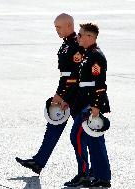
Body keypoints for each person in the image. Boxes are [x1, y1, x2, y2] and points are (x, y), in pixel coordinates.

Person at [15, 13, 82, 174]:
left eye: (59, 27)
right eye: (55, 28)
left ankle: (87, 172)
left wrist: (60, 95)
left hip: (76, 97)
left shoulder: (75, 45)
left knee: (82, 136)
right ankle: (38, 162)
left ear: (69, 26)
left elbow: (73, 77)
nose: (56, 30)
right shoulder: (66, 44)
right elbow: (64, 75)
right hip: (67, 95)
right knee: (53, 126)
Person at [64, 23, 111, 188]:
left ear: (90, 37)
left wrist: (96, 107)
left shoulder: (96, 56)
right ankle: (98, 176)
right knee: (94, 141)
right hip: (84, 104)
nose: (77, 37)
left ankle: (86, 174)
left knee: (76, 136)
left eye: (80, 34)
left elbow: (100, 84)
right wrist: (66, 100)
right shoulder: (87, 55)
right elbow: (79, 83)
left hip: (90, 106)